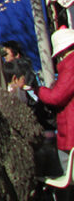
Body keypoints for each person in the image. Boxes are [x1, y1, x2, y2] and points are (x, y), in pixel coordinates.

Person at [38, 28, 74, 175]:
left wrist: (39, 91)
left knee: (68, 173)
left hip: (71, 128)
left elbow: (56, 97)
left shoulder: (71, 65)